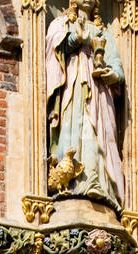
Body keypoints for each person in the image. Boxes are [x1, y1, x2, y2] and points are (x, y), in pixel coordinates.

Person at [45, 0, 126, 211]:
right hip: (73, 81)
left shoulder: (103, 33)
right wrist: (75, 38)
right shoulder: (61, 23)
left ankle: (97, 182)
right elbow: (54, 50)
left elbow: (116, 64)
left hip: (99, 89)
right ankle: (72, 182)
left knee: (98, 131)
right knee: (75, 128)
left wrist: (112, 75)